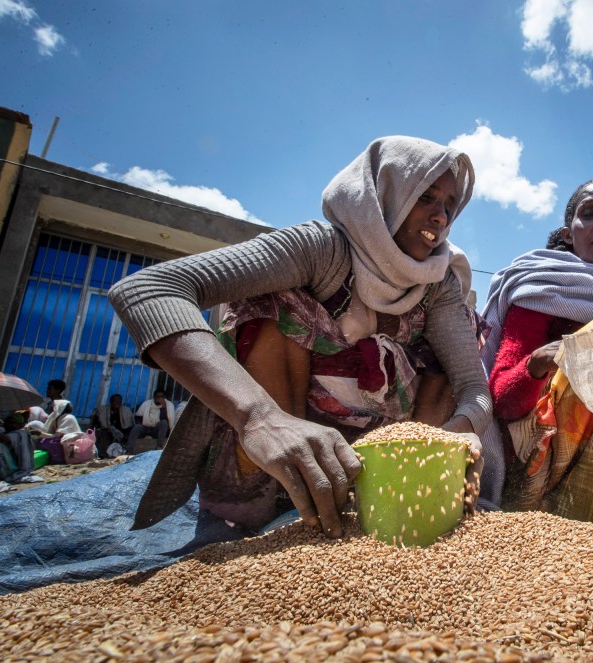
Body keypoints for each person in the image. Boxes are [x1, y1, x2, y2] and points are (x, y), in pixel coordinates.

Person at [109, 136, 490, 537]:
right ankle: (280, 505)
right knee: (274, 306)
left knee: (449, 357)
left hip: (382, 466)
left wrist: (456, 436)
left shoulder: (437, 283)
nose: (441, 217)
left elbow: (473, 388)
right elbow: (148, 291)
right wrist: (260, 418)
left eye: (449, 206)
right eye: (426, 197)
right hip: (280, 441)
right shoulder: (320, 249)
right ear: (386, 194)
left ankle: (407, 507)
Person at [480, 178, 593, 521]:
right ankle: (560, 516)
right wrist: (539, 363)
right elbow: (502, 403)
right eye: (589, 214)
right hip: (536, 450)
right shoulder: (539, 290)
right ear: (568, 233)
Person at [28, 399, 82, 465]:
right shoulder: (57, 418)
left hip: (70, 445)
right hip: (62, 442)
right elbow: (50, 432)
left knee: (46, 442)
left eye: (54, 407)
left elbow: (57, 436)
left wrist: (41, 434)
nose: (52, 409)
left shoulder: (68, 418)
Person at [91, 394, 135, 458]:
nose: (118, 403)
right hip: (107, 430)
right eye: (116, 401)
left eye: (119, 401)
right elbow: (97, 423)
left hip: (121, 432)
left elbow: (129, 424)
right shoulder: (103, 410)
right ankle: (102, 455)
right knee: (104, 434)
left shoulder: (126, 411)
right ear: (111, 402)